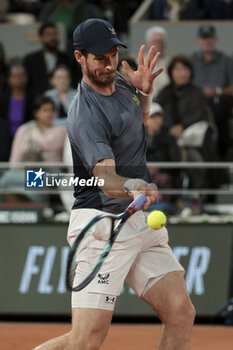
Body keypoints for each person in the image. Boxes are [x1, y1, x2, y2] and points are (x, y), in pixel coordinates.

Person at [34, 18, 195, 350]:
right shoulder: (84, 113)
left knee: (180, 312)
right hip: (102, 223)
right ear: (80, 57)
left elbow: (134, 124)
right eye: (99, 58)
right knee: (85, 340)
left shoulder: (122, 83)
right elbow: (106, 179)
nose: (109, 64)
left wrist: (145, 93)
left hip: (137, 218)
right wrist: (136, 183)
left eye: (112, 54)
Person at [190, 24, 233, 158]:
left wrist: (216, 91)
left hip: (220, 102)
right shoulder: (192, 60)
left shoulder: (226, 60)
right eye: (204, 38)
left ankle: (221, 159)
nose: (207, 41)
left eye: (210, 38)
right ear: (198, 40)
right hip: (195, 103)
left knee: (218, 114)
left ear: (215, 39)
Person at [23, 22, 81, 96]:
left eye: (54, 34)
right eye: (48, 34)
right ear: (41, 38)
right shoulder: (30, 60)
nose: (52, 37)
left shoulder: (68, 59)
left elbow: (75, 81)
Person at [0, 63, 34, 146]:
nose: (18, 79)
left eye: (21, 75)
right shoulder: (2, 99)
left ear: (26, 78)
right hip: (4, 140)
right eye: (14, 76)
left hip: (28, 139)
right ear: (8, 79)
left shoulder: (33, 98)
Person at [144, 26, 170, 98]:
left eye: (161, 41)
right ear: (148, 43)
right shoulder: (139, 63)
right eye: (155, 41)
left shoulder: (171, 63)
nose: (159, 44)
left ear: (165, 44)